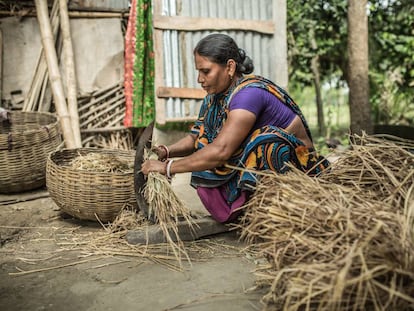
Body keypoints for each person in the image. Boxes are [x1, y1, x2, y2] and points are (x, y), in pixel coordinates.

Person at [141, 33, 330, 223]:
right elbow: (195, 138)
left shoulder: (249, 94)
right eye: (198, 71)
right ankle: (243, 212)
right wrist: (166, 151)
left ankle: (276, 214)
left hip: (298, 165)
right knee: (205, 158)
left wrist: (168, 168)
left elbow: (221, 151)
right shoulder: (213, 99)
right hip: (256, 164)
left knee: (265, 144)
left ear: (230, 67)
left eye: (206, 71)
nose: (199, 79)